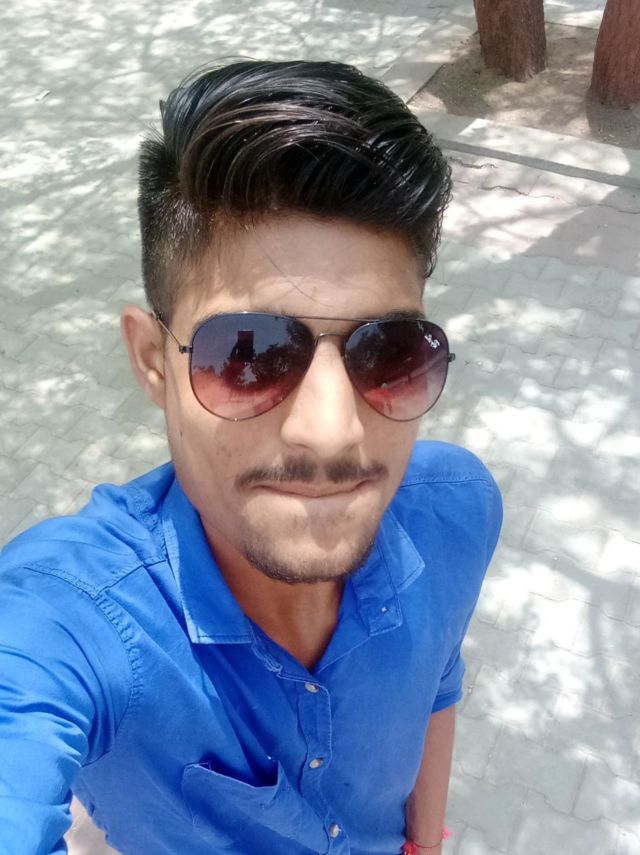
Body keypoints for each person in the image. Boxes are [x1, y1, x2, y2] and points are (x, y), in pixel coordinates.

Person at [0, 60, 502, 855]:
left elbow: (438, 680)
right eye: (248, 353)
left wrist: (425, 844)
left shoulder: (457, 511)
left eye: (389, 350)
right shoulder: (70, 616)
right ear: (152, 361)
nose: (332, 432)